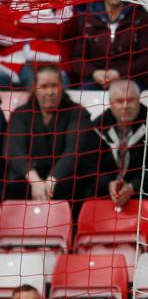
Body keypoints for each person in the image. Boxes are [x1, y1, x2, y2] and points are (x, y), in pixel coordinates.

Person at [4, 65, 96, 202]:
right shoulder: (20, 114)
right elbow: (14, 151)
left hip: (63, 180)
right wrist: (35, 181)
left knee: (68, 187)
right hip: (29, 178)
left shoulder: (78, 113)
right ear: (35, 87)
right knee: (14, 187)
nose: (50, 92)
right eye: (44, 86)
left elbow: (73, 151)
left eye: (54, 85)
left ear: (62, 86)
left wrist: (52, 180)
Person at [90, 79, 148, 216]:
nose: (126, 106)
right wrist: (108, 184)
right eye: (120, 101)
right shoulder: (98, 127)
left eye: (131, 100)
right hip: (110, 189)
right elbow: (90, 166)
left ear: (139, 99)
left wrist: (133, 187)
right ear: (110, 103)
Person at [70, 0, 148, 91]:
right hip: (96, 80)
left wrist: (119, 73)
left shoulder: (140, 15)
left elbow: (146, 58)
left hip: (131, 77)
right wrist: (94, 73)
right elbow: (77, 58)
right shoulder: (88, 17)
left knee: (126, 94)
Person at [0, 0, 77, 89]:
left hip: (52, 65)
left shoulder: (63, 1)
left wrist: (18, 22)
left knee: (39, 80)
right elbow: (3, 34)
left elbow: (59, 27)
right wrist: (41, 33)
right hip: (10, 63)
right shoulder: (7, 4)